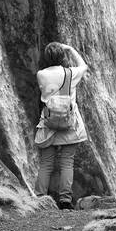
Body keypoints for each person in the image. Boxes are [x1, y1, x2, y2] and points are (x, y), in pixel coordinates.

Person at [35, 41, 88, 209]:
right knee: (67, 162)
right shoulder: (71, 73)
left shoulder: (41, 75)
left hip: (48, 124)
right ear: (62, 56)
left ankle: (40, 199)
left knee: (46, 163)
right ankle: (65, 200)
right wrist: (70, 49)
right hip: (69, 124)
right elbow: (84, 66)